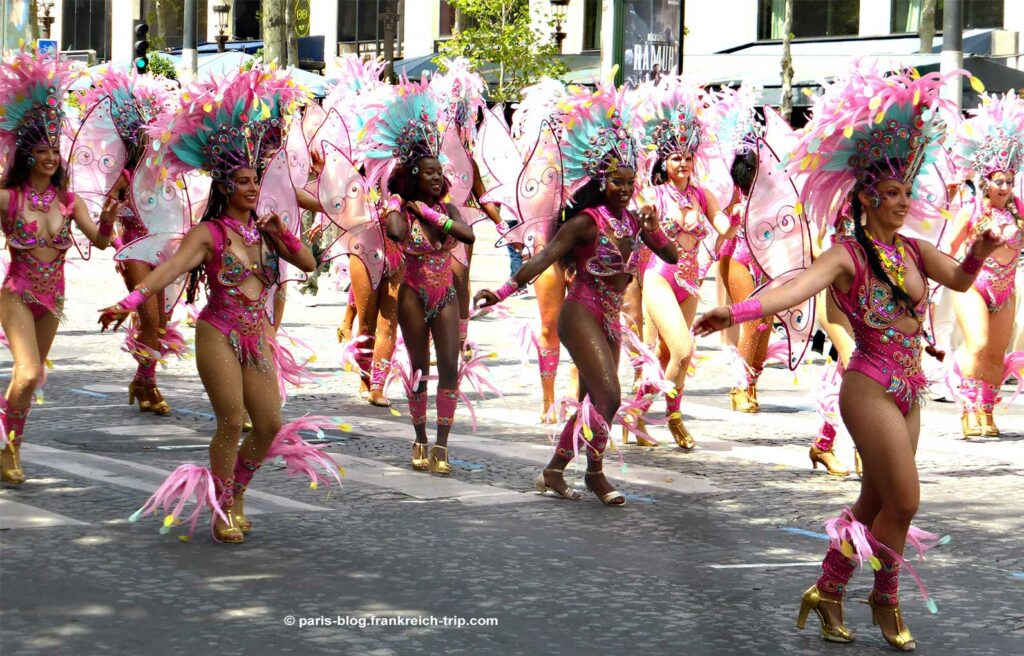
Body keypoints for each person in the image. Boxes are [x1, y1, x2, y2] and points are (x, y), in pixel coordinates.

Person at [695, 66, 1002, 651]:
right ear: (866, 197)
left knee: (878, 502)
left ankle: (827, 589)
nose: (902, 202)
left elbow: (961, 281)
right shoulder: (845, 255)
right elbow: (791, 288)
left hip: (911, 381)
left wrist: (981, 250)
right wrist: (732, 315)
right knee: (906, 501)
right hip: (868, 382)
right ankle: (885, 599)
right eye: (891, 194)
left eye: (906, 193)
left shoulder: (912, 248)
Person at [99, 67, 323, 543]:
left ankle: (236, 491)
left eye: (254, 179)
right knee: (231, 419)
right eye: (242, 181)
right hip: (218, 330)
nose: (251, 187)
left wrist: (281, 233)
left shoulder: (266, 229)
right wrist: (130, 300)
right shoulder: (210, 233)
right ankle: (222, 507)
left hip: (255, 334)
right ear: (224, 187)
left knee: (268, 424)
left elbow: (307, 263)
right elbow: (170, 269)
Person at [476, 80, 677, 506]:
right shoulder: (587, 221)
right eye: (617, 182)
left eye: (630, 181)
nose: (625, 189)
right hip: (580, 311)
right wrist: (501, 291)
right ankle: (596, 474)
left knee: (593, 400)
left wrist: (653, 226)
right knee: (611, 395)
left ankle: (553, 470)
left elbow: (672, 255)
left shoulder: (633, 220)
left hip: (610, 318)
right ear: (601, 182)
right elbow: (544, 257)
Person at [0, 50, 120, 485]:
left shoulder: (70, 201)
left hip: (54, 297)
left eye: (55, 150)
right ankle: (7, 444)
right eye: (42, 150)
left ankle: (10, 442)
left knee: (30, 377)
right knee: (28, 371)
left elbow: (103, 242)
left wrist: (108, 218)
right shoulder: (8, 198)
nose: (51, 157)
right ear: (27, 155)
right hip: (16, 292)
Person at [363, 80, 476, 475]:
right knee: (417, 367)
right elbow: (394, 233)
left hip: (445, 294)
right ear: (414, 175)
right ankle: (420, 439)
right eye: (428, 173)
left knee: (448, 366)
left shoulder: (445, 210)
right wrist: (395, 201)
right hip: (412, 293)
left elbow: (468, 235)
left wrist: (429, 213)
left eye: (438, 173)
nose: (435, 178)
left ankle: (442, 446)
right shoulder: (401, 211)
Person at [627, 76, 738, 448]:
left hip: (690, 281)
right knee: (683, 348)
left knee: (666, 354)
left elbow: (722, 227)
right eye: (676, 157)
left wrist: (738, 218)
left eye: (688, 157)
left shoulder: (703, 195)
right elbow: (636, 226)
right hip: (658, 277)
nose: (684, 163)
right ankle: (647, 414)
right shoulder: (652, 194)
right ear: (664, 161)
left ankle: (658, 417)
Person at [79, 69, 186, 416]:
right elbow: (109, 212)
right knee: (151, 319)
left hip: (165, 247)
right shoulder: (123, 175)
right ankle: (147, 384)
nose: (149, 143)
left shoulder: (166, 170)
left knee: (162, 320)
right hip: (133, 247)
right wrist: (115, 208)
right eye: (142, 138)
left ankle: (144, 379)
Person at [948, 93, 1024, 437]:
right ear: (986, 182)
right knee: (977, 344)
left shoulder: (1019, 212)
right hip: (973, 285)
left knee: (996, 353)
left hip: (1006, 288)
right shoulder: (972, 210)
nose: (1005, 187)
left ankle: (987, 411)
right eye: (999, 181)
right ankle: (966, 408)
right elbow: (948, 247)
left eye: (1009, 181)